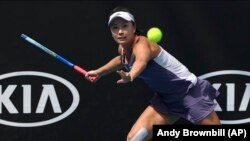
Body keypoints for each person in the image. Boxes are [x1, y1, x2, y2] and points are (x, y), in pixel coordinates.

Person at [85, 6, 221, 141]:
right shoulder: (122, 48)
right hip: (166, 100)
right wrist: (99, 72)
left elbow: (141, 61)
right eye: (115, 27)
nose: (120, 31)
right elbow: (121, 60)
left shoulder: (142, 43)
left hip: (190, 93)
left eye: (124, 26)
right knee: (134, 138)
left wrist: (131, 74)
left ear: (133, 27)